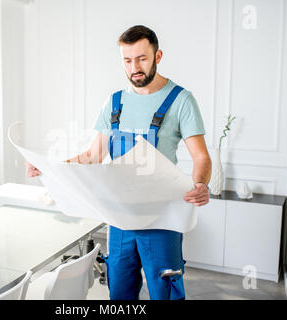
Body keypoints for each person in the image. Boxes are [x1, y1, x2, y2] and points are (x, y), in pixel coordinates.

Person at [25, 25, 212, 300]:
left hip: (163, 218)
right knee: (120, 292)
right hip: (120, 218)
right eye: (127, 60)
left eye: (142, 58)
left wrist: (200, 183)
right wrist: (50, 168)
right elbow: (92, 155)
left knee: (166, 292)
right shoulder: (114, 103)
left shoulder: (181, 100)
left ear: (158, 56)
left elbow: (201, 156)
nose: (134, 67)